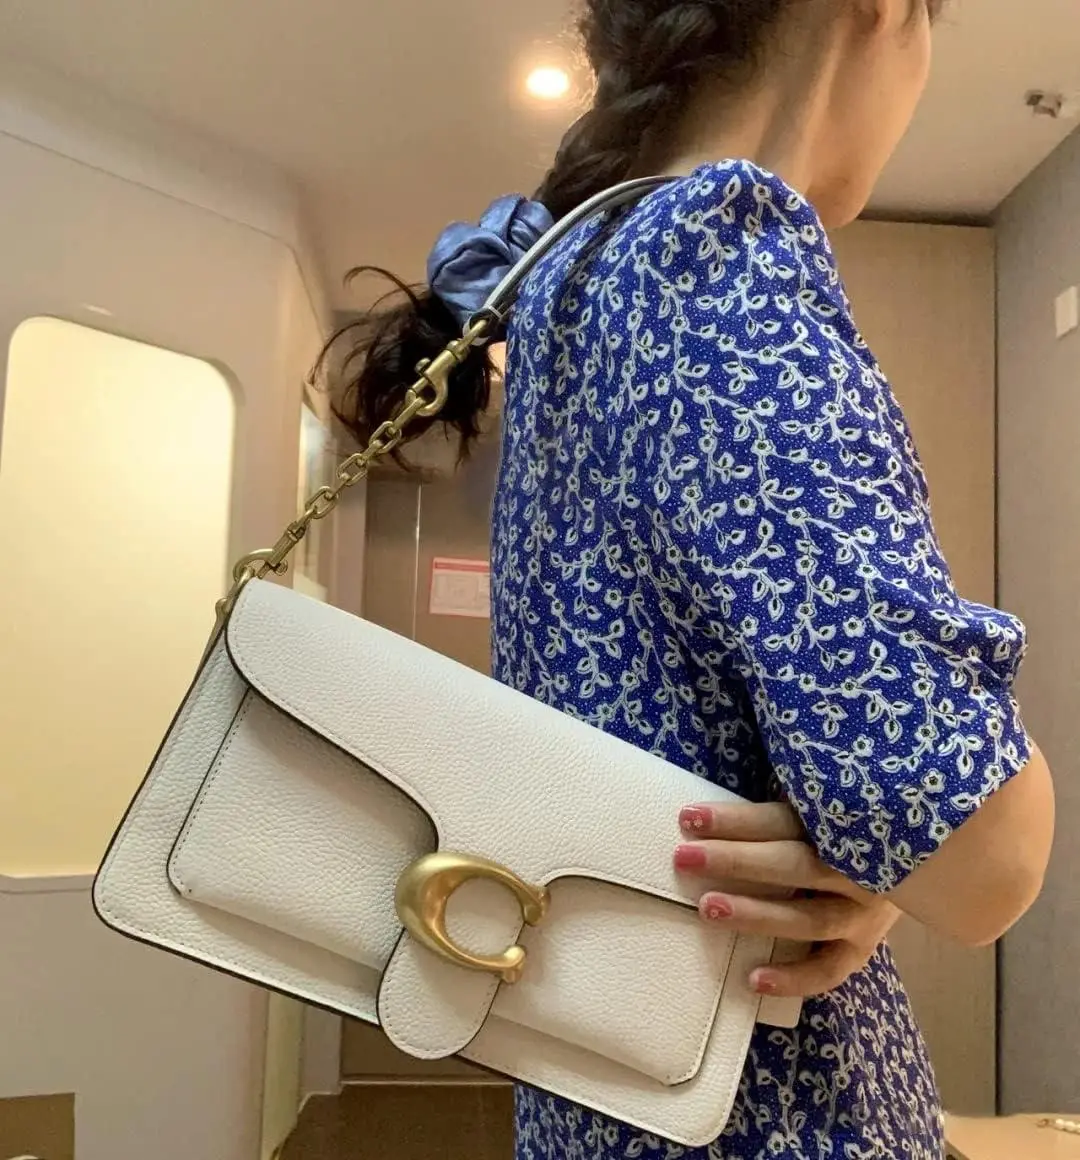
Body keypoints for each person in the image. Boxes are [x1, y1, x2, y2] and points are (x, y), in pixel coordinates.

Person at [326, 0, 1056, 1156]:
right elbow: (983, 858)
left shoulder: (572, 282)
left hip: (606, 1098)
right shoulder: (716, 257)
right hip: (764, 1116)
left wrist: (857, 863)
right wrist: (898, 848)